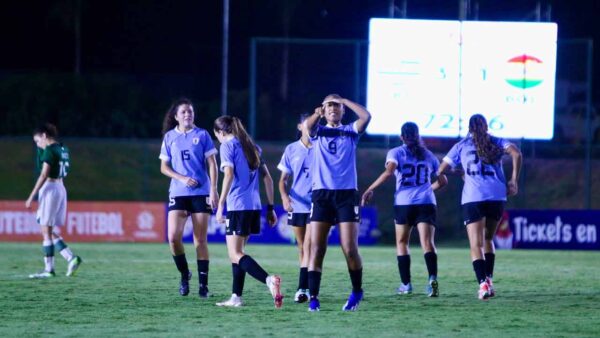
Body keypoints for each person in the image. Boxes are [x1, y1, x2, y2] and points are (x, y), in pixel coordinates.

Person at [437, 114, 522, 300]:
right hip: (497, 196)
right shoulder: (496, 141)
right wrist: (513, 180)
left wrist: (460, 171)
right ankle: (489, 280)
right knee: (488, 239)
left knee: (476, 244)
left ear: (469, 128)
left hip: (473, 197)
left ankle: (483, 284)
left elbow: (441, 170)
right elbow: (516, 152)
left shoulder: (461, 145)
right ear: (486, 127)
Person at [361, 122, 447, 297]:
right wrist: (428, 189)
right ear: (418, 135)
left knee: (402, 243)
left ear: (402, 137)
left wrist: (370, 189)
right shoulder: (429, 155)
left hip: (404, 203)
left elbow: (388, 173)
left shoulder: (396, 152)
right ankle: (432, 281)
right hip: (426, 202)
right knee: (428, 243)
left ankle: (406, 285)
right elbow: (443, 181)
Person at [303, 94, 371, 312]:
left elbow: (366, 116)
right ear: (323, 109)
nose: (333, 109)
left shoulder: (351, 131)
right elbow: (308, 127)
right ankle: (313, 297)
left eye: (337, 106)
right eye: (329, 106)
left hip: (346, 196)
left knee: (349, 249)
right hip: (322, 195)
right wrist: (317, 113)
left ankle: (357, 291)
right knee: (317, 248)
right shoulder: (319, 131)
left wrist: (343, 100)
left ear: (342, 110)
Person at [213, 115, 283, 308]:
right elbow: (268, 178)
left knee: (234, 254)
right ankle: (236, 297)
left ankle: (268, 280)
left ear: (219, 132)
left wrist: (220, 205)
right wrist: (270, 208)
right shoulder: (252, 146)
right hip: (255, 206)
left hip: (238, 206)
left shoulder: (227, 146)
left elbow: (227, 174)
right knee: (239, 253)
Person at [159, 98, 219, 298]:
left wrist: (214, 190)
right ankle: (185, 274)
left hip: (201, 193)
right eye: (184, 112)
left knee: (200, 240)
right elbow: (164, 167)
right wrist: (182, 178)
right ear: (176, 116)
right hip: (178, 193)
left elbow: (212, 163)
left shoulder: (202, 135)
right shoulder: (169, 137)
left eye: (190, 112)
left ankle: (204, 286)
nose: (187, 114)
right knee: (173, 238)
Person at [26, 123, 82, 278]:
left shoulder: (50, 150)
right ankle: (70, 258)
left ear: (44, 135)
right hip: (60, 187)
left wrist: (31, 196)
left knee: (46, 231)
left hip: (50, 188)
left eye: (38, 141)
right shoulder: (62, 148)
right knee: (48, 230)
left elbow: (43, 175)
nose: (37, 145)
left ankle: (51, 268)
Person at [277, 114, 313, 304]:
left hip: (317, 204)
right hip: (297, 205)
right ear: (300, 126)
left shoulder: (321, 147)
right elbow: (282, 180)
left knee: (309, 246)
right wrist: (284, 197)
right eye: (308, 123)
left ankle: (303, 288)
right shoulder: (291, 149)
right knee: (302, 247)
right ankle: (308, 284)